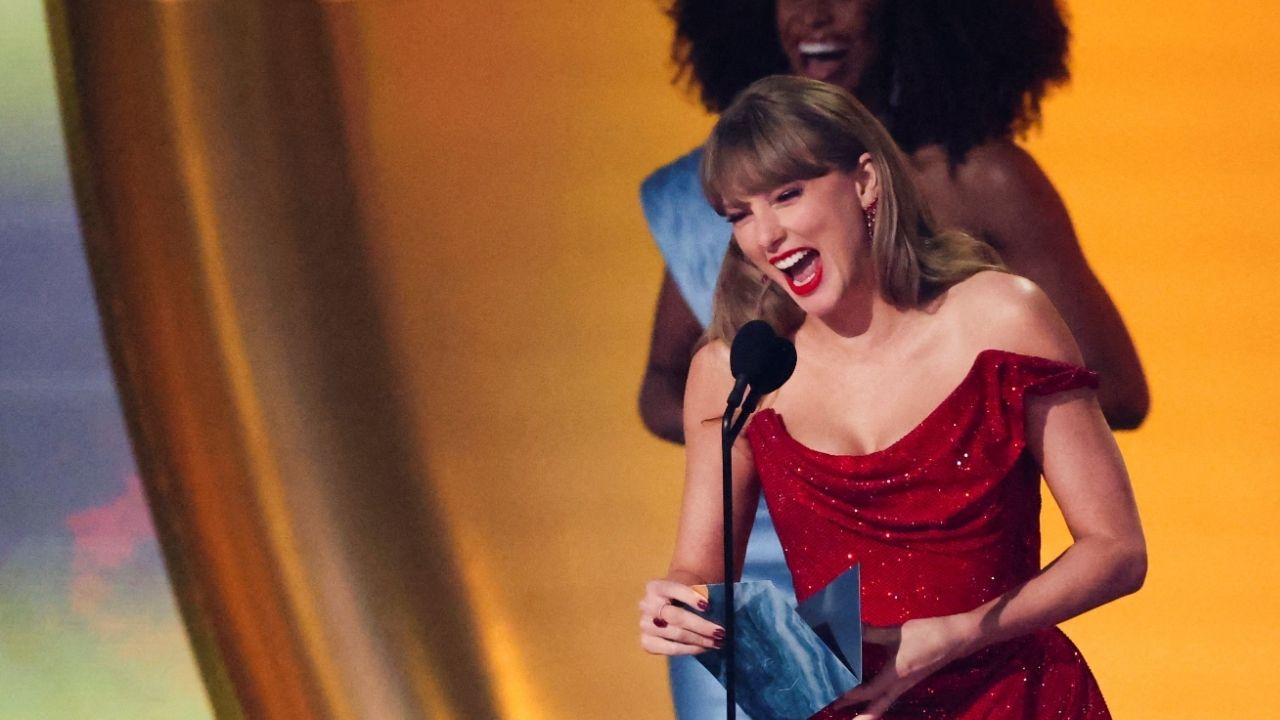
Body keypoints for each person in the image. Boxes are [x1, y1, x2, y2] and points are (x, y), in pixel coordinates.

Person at [638, 76, 1146, 719]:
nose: (765, 235)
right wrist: (678, 608)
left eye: (787, 195)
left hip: (1017, 699)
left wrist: (959, 632)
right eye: (739, 214)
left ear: (865, 182)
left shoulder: (1000, 318)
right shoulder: (734, 371)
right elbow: (699, 571)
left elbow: (1116, 550)